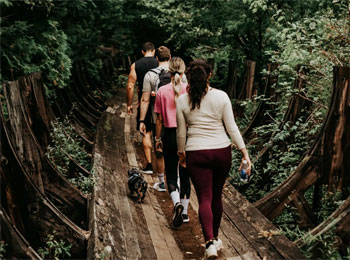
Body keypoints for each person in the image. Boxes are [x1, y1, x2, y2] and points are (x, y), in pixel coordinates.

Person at [176, 59, 252, 259]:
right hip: (221, 151)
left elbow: (181, 134)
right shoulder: (222, 97)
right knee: (216, 195)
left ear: (189, 76)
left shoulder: (182, 100)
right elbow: (232, 128)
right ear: (210, 74)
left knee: (204, 198)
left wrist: (181, 154)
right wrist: (244, 153)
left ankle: (209, 242)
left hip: (196, 152)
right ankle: (215, 237)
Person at [154, 57, 191, 227]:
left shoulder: (162, 91)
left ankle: (175, 202)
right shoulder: (189, 90)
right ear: (183, 72)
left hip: (169, 134)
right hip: (187, 136)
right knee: (185, 174)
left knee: (171, 171)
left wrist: (157, 138)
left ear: (168, 71)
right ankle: (184, 213)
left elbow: (159, 120)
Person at [139, 46, 171, 190]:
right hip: (176, 119)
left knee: (159, 150)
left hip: (156, 117)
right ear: (170, 58)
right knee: (175, 150)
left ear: (157, 59)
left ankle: (161, 182)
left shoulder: (150, 75)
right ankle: (175, 182)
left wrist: (141, 120)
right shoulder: (179, 74)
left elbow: (145, 100)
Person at [126, 42, 157, 174]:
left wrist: (129, 104)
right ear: (154, 51)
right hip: (161, 102)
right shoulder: (160, 64)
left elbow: (130, 86)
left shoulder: (136, 65)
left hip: (144, 102)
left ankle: (149, 165)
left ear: (143, 51)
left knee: (146, 132)